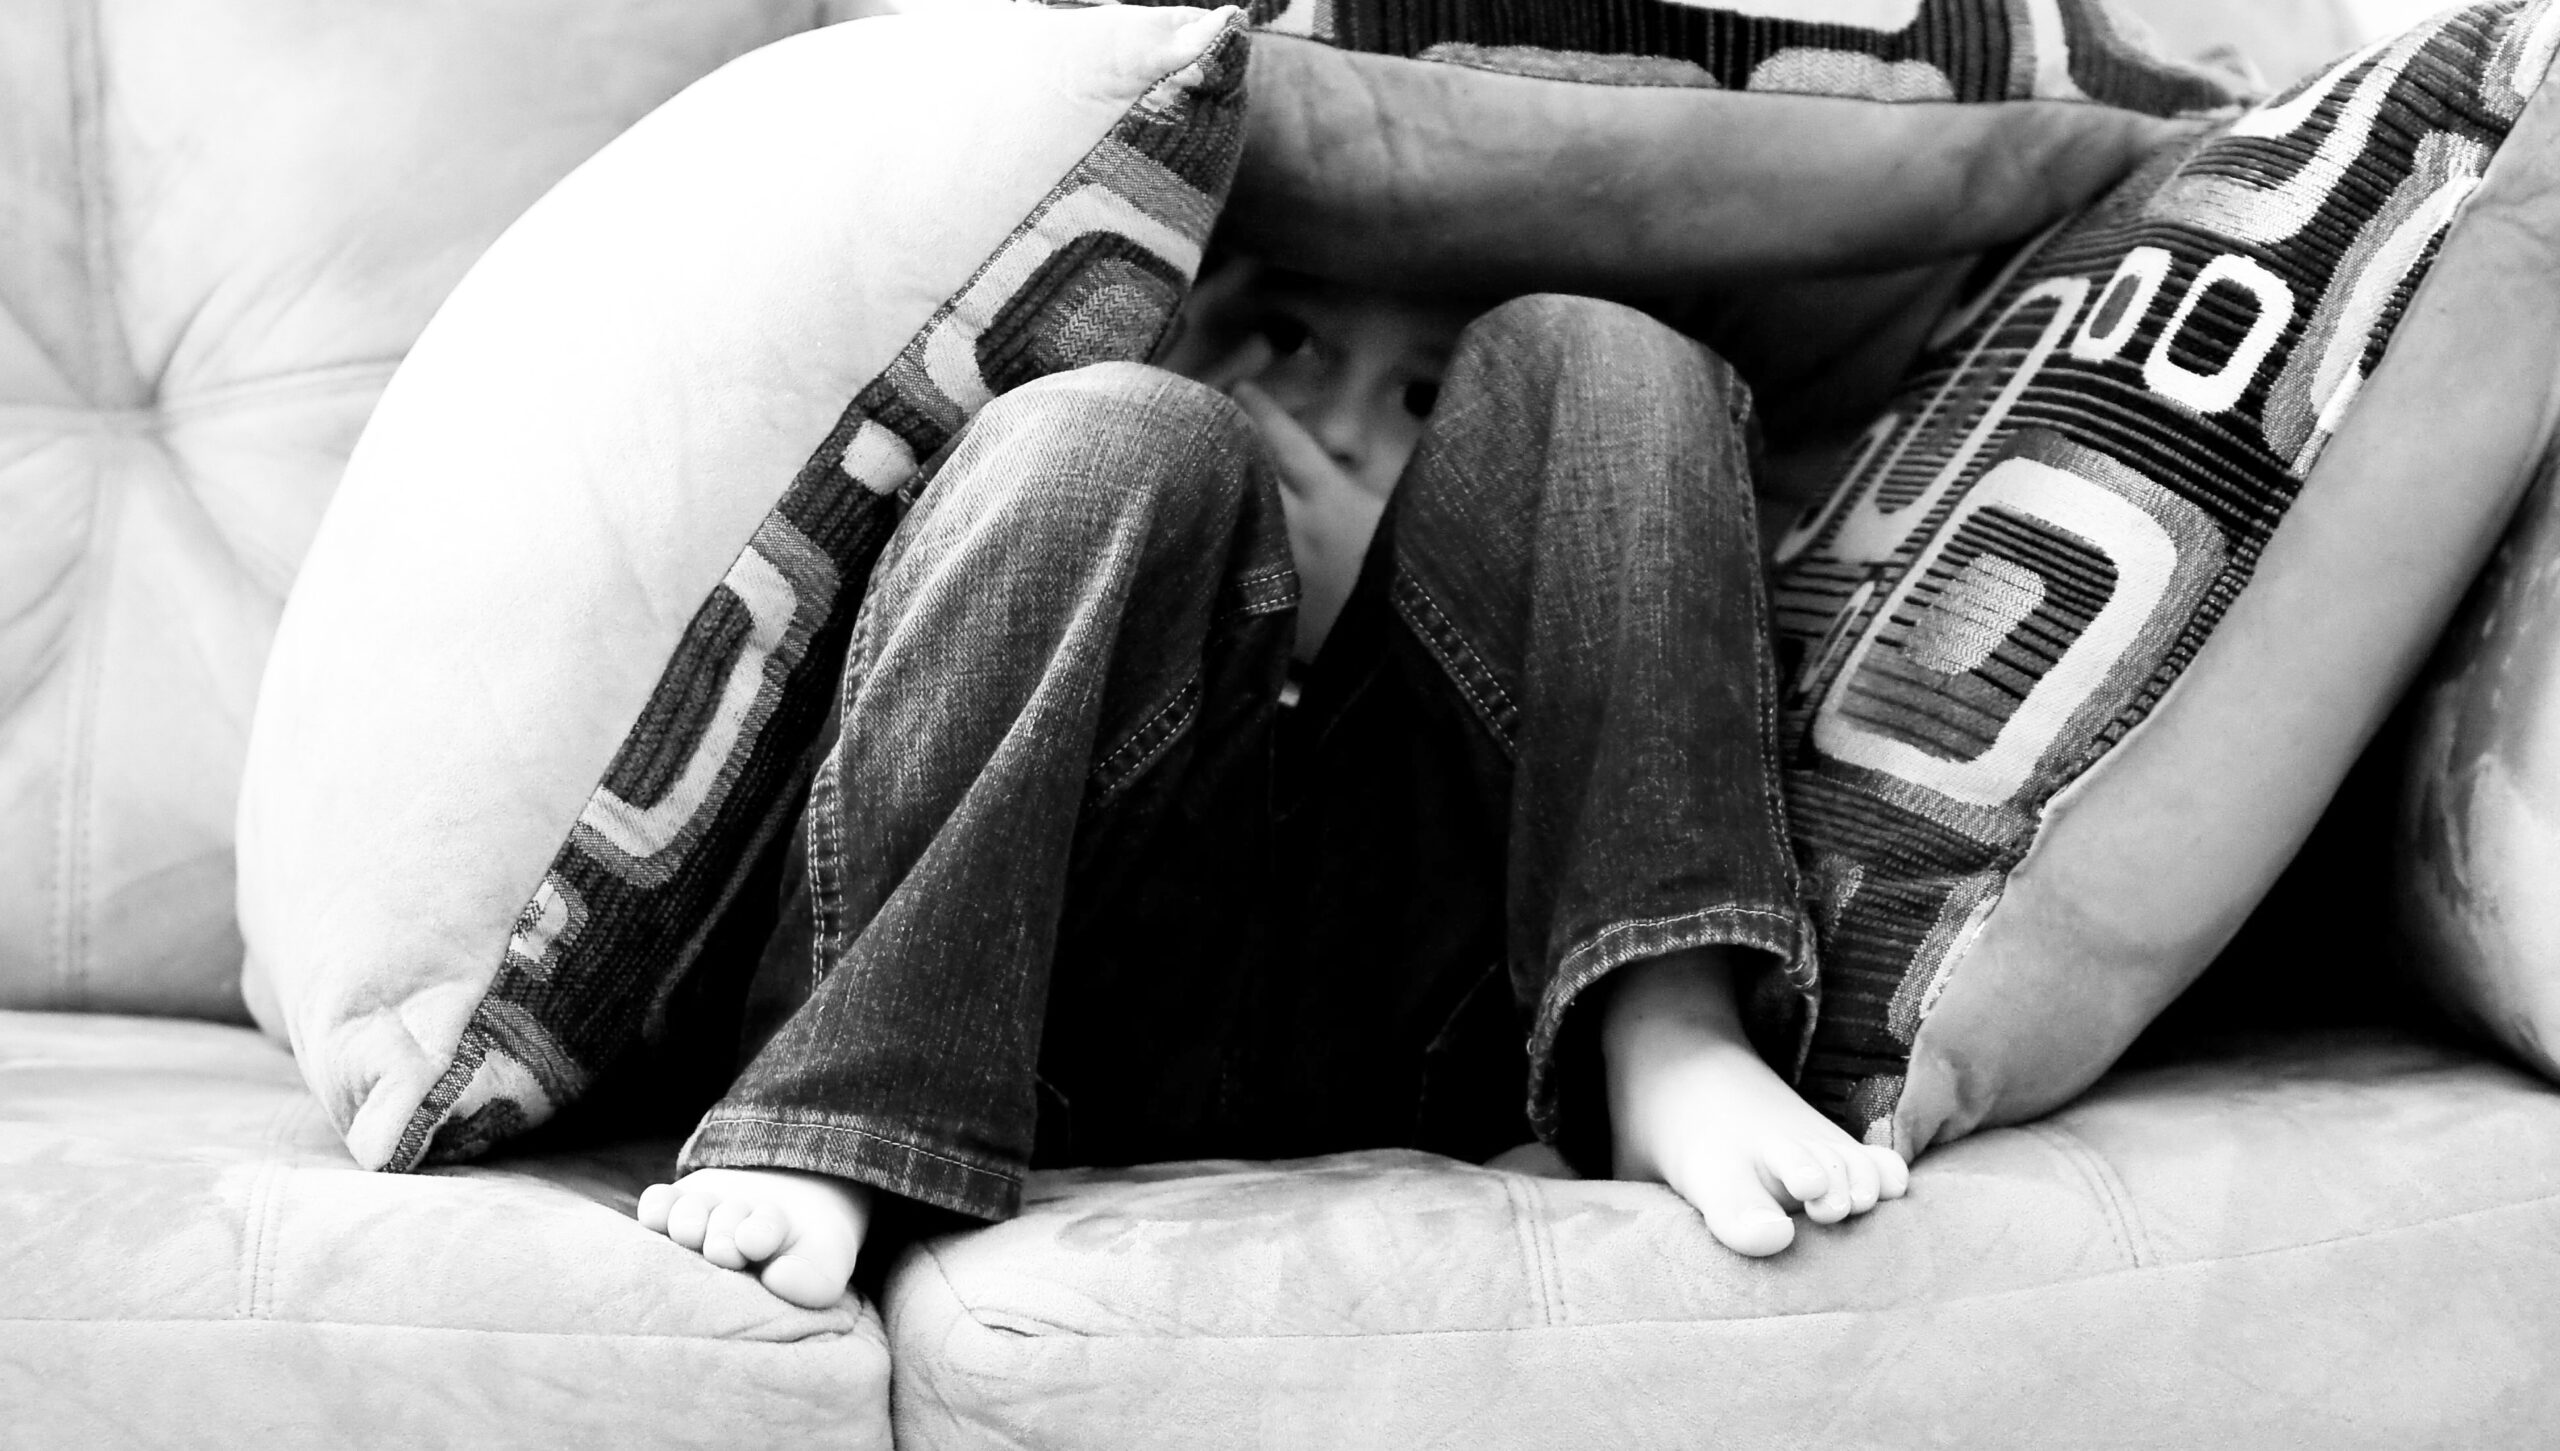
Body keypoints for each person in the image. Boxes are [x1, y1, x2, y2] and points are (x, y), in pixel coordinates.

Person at [635, 263, 1908, 1307]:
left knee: (1603, 354)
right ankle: (850, 1108)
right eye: (1292, 339)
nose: (1337, 421)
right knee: (1106, 432)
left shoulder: (1495, 553)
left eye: (1422, 397)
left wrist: (1361, 589)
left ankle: (1665, 1025)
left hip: (1428, 1025)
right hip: (1047, 1020)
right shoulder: (1159, 474)